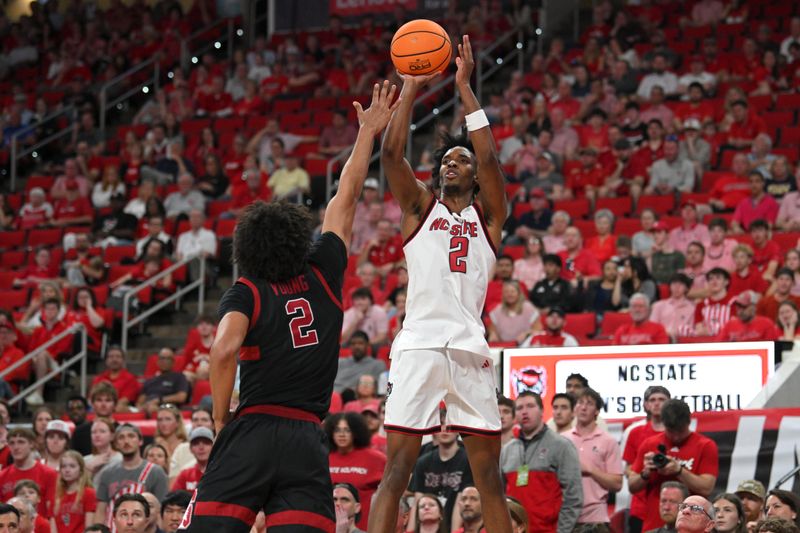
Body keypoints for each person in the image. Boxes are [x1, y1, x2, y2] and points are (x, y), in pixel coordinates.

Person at [176, 81, 400, 532]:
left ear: (248, 249)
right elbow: (345, 197)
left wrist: (222, 418)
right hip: (305, 437)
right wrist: (367, 133)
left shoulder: (247, 289)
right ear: (298, 238)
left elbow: (221, 352)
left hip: (253, 428)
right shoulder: (324, 269)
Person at [371, 36, 513, 533]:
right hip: (419, 345)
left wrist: (465, 89)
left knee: (489, 477)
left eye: (461, 160)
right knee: (397, 470)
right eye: (446, 160)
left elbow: (492, 160)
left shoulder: (489, 218)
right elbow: (390, 153)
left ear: (474, 177)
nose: (451, 163)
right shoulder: (420, 210)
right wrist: (409, 87)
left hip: (470, 346)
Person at [629, 400, 719, 532]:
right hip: (654, 524)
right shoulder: (650, 444)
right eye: (671, 431)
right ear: (663, 424)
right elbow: (632, 486)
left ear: (689, 423)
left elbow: (707, 488)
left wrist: (679, 470)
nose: (676, 437)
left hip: (691, 526)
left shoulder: (705, 445)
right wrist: (645, 473)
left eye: (680, 431)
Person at [500, 391, 582, 533]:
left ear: (542, 411)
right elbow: (500, 497)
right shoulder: (506, 450)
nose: (525, 412)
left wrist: (562, 531)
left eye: (530, 406)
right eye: (519, 408)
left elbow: (573, 498)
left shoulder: (561, 446)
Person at [565, 388, 622, 527]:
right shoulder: (562, 440)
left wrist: (590, 470)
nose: (583, 407)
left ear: (597, 411)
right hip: (566, 516)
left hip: (596, 518)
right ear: (574, 408)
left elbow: (617, 484)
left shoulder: (608, 441)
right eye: (580, 403)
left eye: (589, 403)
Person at [94, 424, 168, 526]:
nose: (126, 441)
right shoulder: (107, 472)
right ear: (116, 444)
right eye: (121, 437)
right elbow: (100, 511)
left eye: (131, 436)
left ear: (140, 441)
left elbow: (160, 512)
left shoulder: (155, 472)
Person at [625, 386, 672, 533]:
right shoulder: (635, 433)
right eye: (652, 400)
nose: (657, 403)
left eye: (661, 400)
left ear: (669, 403)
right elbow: (628, 468)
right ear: (646, 405)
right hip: (641, 505)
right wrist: (642, 471)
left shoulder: (677, 433)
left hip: (671, 502)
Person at [0, 428, 57, 519]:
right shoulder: (2, 477)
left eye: (21, 442)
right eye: (12, 443)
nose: (16, 447)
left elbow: (52, 512)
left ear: (31, 444)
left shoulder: (49, 474)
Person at [135, 349, 190, 416]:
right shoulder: (149, 381)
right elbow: (139, 402)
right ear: (157, 361)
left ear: (173, 362)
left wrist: (159, 400)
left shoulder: (179, 377)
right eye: (162, 358)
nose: (165, 361)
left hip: (169, 409)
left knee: (153, 409)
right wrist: (143, 407)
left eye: (168, 359)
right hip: (148, 408)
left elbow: (181, 397)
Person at [52, 451, 96, 533]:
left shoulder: (89, 493)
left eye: (72, 466)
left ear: (81, 470)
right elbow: (53, 528)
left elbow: (89, 528)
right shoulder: (56, 496)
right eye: (63, 466)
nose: (67, 470)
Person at [717, 291, 781, 342]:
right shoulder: (730, 324)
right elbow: (718, 347)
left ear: (754, 307)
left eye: (744, 307)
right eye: (738, 307)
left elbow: (773, 348)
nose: (740, 311)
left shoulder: (766, 324)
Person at [92, 346, 141, 411]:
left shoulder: (130, 379)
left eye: (118, 357)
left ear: (123, 360)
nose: (114, 360)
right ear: (106, 360)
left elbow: (124, 401)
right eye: (111, 357)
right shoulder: (98, 379)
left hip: (119, 412)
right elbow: (92, 399)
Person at [651, 274, 696, 339]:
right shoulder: (658, 306)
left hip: (682, 342)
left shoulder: (692, 308)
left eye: (680, 284)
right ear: (670, 286)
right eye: (674, 284)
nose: (676, 287)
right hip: (660, 340)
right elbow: (652, 327)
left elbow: (692, 331)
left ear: (686, 288)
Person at [171, 428, 213, 492]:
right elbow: (173, 499)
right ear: (190, 449)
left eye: (206, 443)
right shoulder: (185, 475)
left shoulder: (221, 473)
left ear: (213, 447)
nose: (201, 447)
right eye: (196, 443)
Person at [83, 418, 121, 489]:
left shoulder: (120, 459)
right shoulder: (84, 460)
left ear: (112, 436)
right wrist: (90, 467)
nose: (97, 435)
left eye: (102, 431)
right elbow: (78, 488)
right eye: (93, 432)